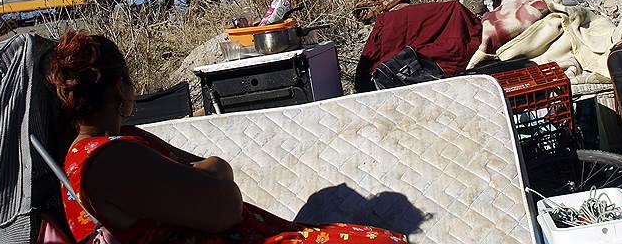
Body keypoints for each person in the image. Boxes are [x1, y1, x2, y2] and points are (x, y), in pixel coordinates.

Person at [45, 29, 405, 243]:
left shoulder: (121, 140)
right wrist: (215, 170)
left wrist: (207, 175)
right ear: (120, 87)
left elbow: (200, 177)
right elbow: (224, 206)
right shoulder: (110, 160)